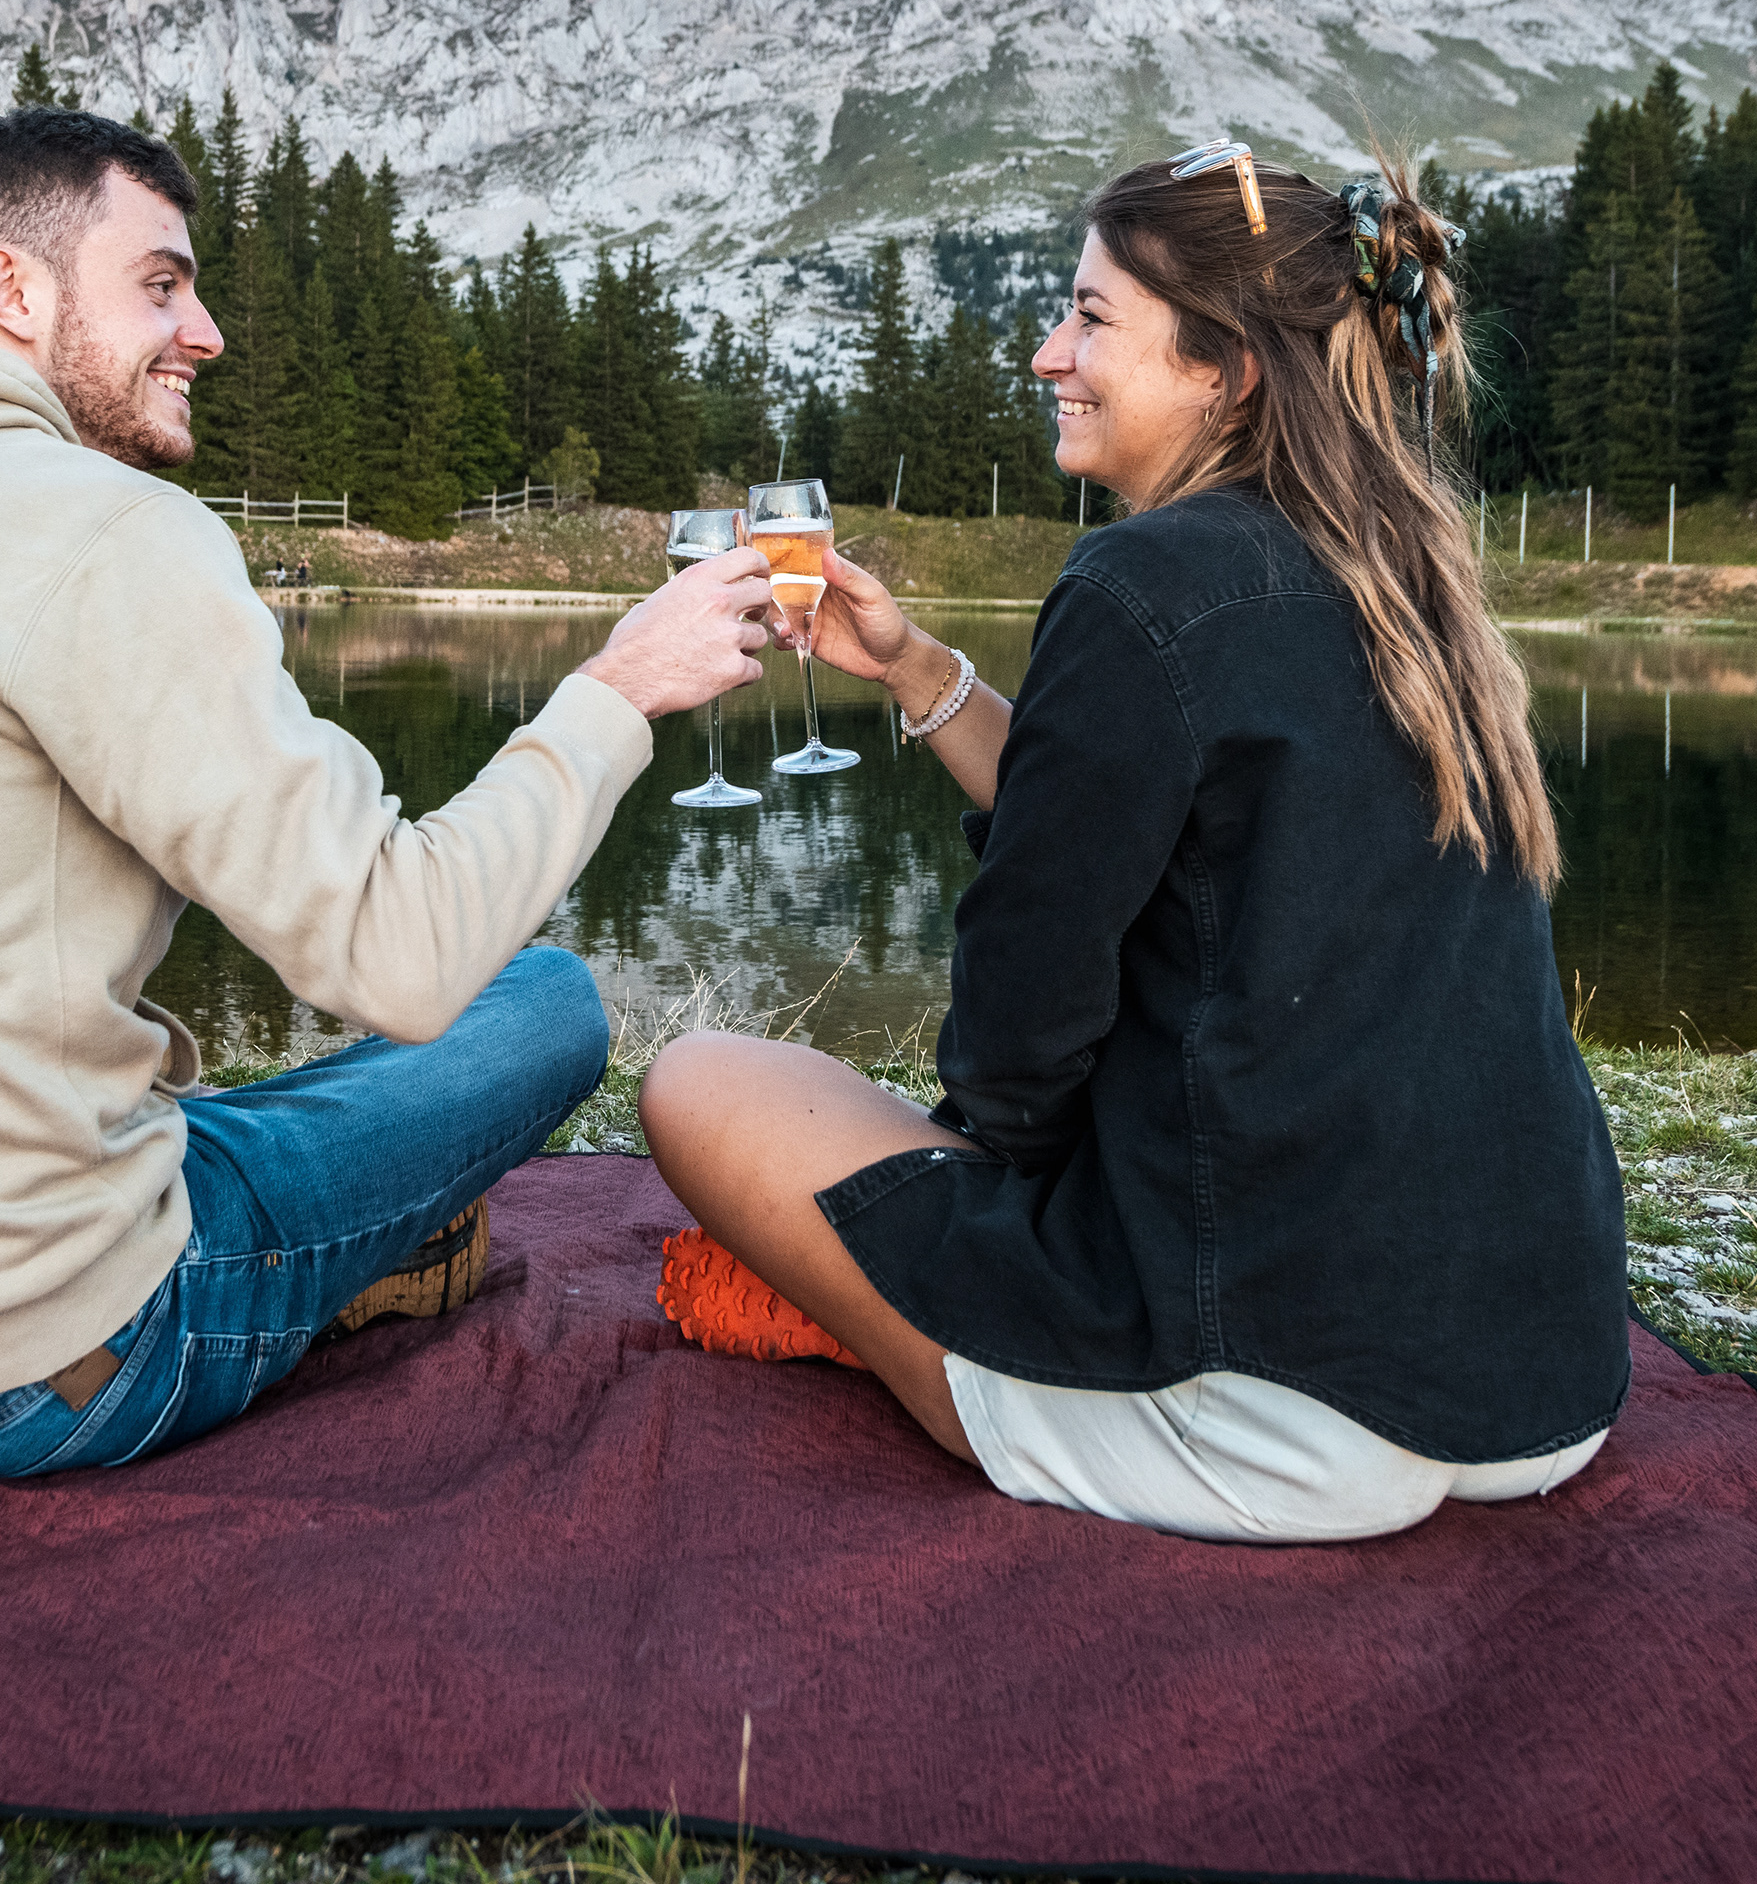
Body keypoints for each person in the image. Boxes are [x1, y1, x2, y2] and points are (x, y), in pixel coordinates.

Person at [0, 106, 771, 1477]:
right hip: (25, 1370)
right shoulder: (97, 527)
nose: (205, 331)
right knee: (545, 1003)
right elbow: (400, 957)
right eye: (161, 283)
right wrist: (622, 687)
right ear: (12, 289)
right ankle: (352, 1259)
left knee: (203, 1112)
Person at [640, 139, 1627, 1543]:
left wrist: (990, 1171)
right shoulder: (1405, 574)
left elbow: (1011, 1053)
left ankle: (900, 1340)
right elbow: (1138, 827)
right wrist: (922, 671)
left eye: (1092, 317)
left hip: (1274, 1407)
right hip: (1542, 1385)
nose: (1049, 353)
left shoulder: (1142, 580)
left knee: (699, 1082)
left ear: (1224, 368)